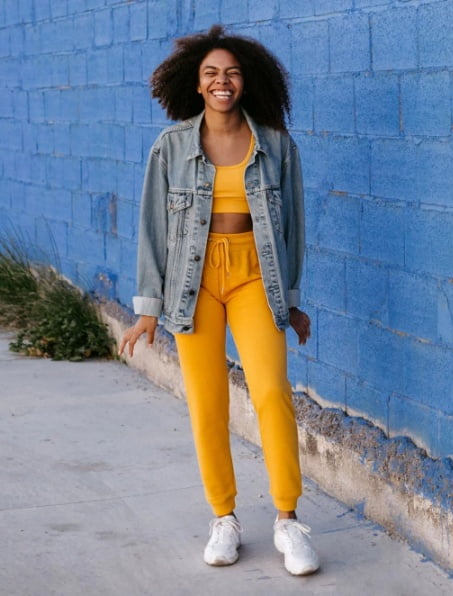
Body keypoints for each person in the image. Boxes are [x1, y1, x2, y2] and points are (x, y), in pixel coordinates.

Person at [118, 24, 319, 576]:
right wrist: (147, 311)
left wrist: (293, 300)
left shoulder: (276, 145)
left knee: (272, 392)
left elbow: (293, 228)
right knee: (207, 405)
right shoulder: (172, 148)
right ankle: (224, 518)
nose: (221, 81)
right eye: (211, 73)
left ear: (245, 81)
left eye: (230, 72)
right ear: (197, 83)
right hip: (193, 280)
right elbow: (153, 230)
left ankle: (287, 520)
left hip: (257, 278)